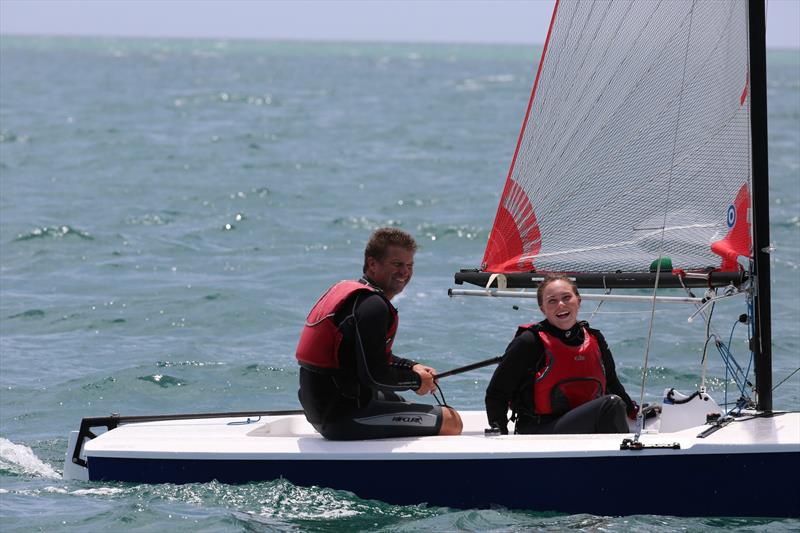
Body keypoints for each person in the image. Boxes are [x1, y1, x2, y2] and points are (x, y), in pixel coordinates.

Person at [296, 227, 462, 440]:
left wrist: (412, 367)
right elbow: (375, 375)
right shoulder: (373, 306)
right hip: (345, 416)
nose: (405, 272)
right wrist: (415, 382)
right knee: (452, 421)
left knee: (401, 403)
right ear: (372, 263)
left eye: (409, 265)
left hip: (326, 409)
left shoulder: (356, 296)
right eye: (397, 264)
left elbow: (368, 357)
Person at [485, 274, 638, 435]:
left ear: (578, 301)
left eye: (566, 297)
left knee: (614, 404)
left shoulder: (595, 339)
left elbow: (612, 384)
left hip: (578, 425)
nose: (561, 305)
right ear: (542, 308)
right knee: (611, 405)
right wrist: (501, 436)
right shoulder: (529, 342)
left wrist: (633, 411)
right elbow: (497, 393)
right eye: (552, 300)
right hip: (538, 431)